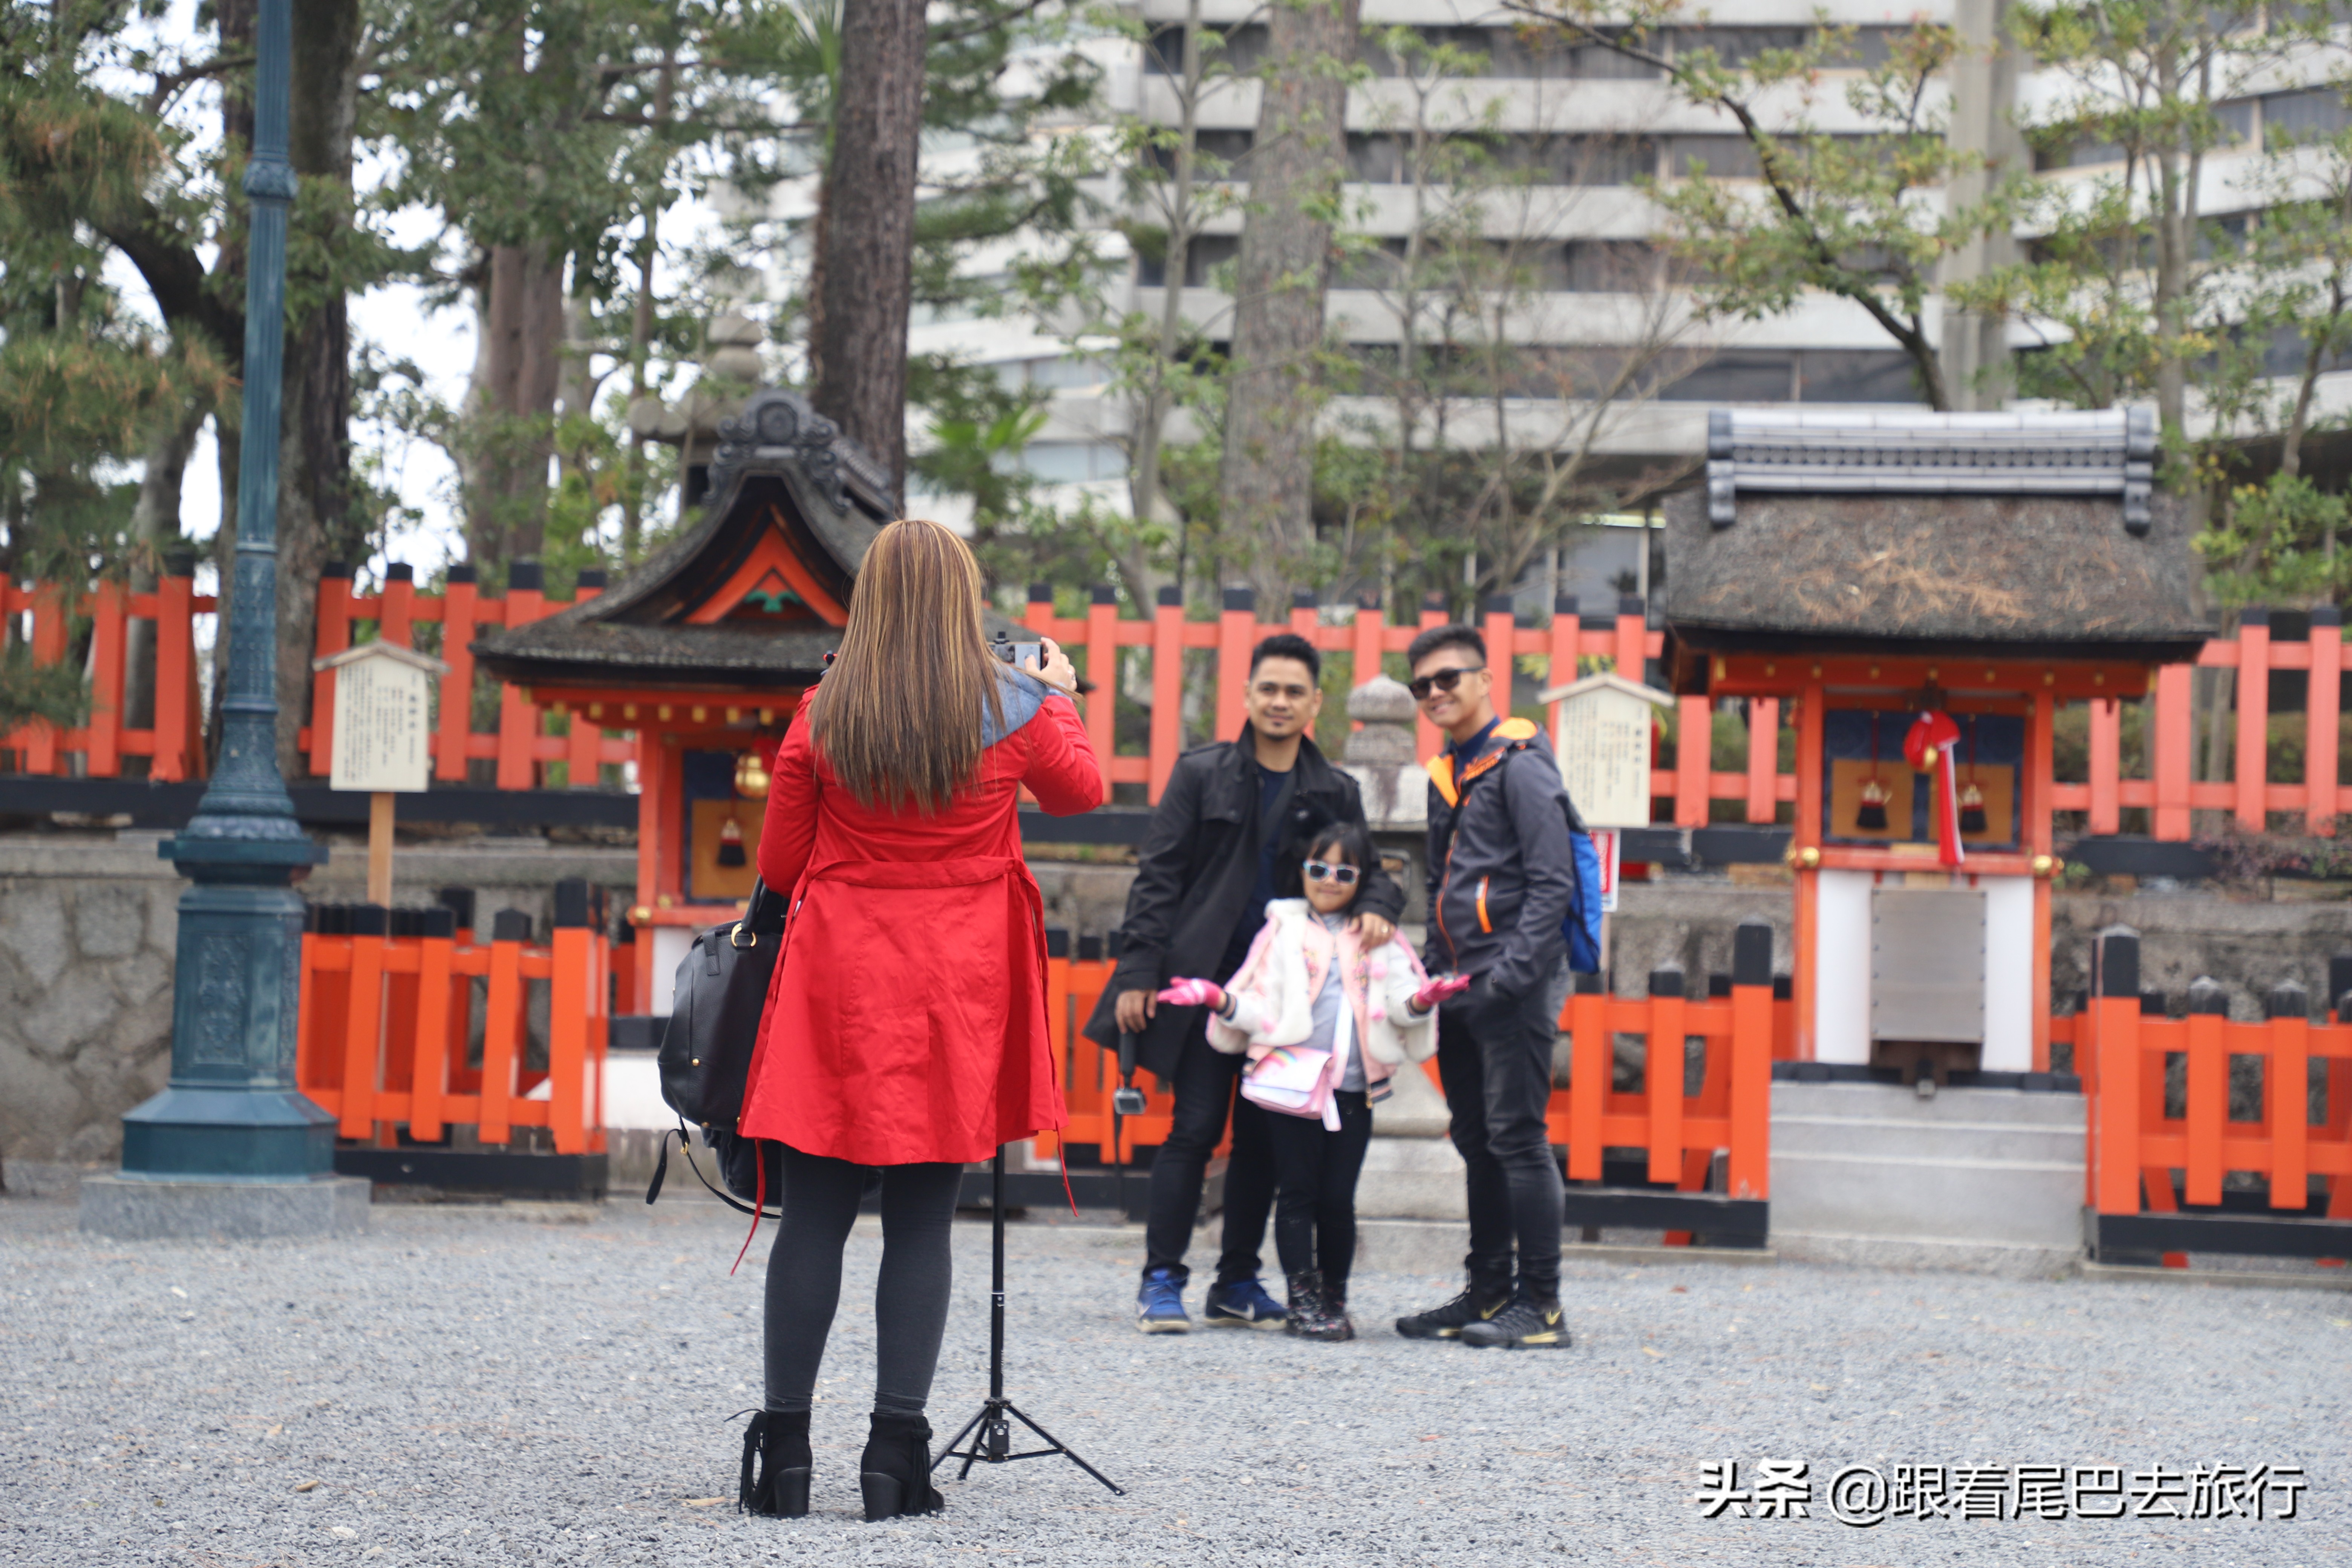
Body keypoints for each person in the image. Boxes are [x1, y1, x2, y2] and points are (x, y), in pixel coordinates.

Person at [732, 519, 1100, 1521]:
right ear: (963, 599)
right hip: (956, 982)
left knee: (813, 1216)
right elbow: (1083, 793)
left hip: (840, 978)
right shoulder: (1015, 706)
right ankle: (895, 1459)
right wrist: (1059, 689)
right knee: (923, 1221)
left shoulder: (824, 710)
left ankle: (787, 1460)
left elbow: (776, 868)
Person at [1084, 632, 1405, 1334]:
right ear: (1247, 695)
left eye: (1295, 691)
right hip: (1208, 987)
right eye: (1269, 689)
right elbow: (1158, 876)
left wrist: (1379, 907)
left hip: (1291, 1004)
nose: (1281, 702)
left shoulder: (1334, 789)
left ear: (1317, 702)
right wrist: (1140, 971)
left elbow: (1373, 873)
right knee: (1194, 1129)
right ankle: (1162, 1279)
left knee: (1263, 1141)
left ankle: (1236, 1281)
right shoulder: (1202, 773)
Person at [1156, 820, 1468, 1340]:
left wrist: (1424, 1001)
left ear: (1362, 877)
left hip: (1354, 1086)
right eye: (1318, 868)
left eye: (1344, 871)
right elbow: (1256, 998)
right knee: (1297, 1191)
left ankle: (1333, 1296)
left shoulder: (1377, 934)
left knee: (1338, 1197)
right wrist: (1216, 999)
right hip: (1292, 1084)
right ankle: (1302, 1300)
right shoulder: (1283, 928)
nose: (1329, 880)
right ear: (1301, 872)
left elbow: (1400, 1001)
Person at [1393, 623, 1580, 1351]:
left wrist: (1512, 977)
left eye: (1449, 679)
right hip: (1461, 984)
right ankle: (1490, 1290)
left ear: (1485, 680)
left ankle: (1544, 1305)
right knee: (1476, 1138)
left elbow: (1551, 881)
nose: (1436, 693)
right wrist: (1442, 969)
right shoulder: (1449, 774)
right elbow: (1443, 881)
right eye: (1423, 686)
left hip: (1514, 984)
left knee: (1518, 1139)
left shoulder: (1523, 766)